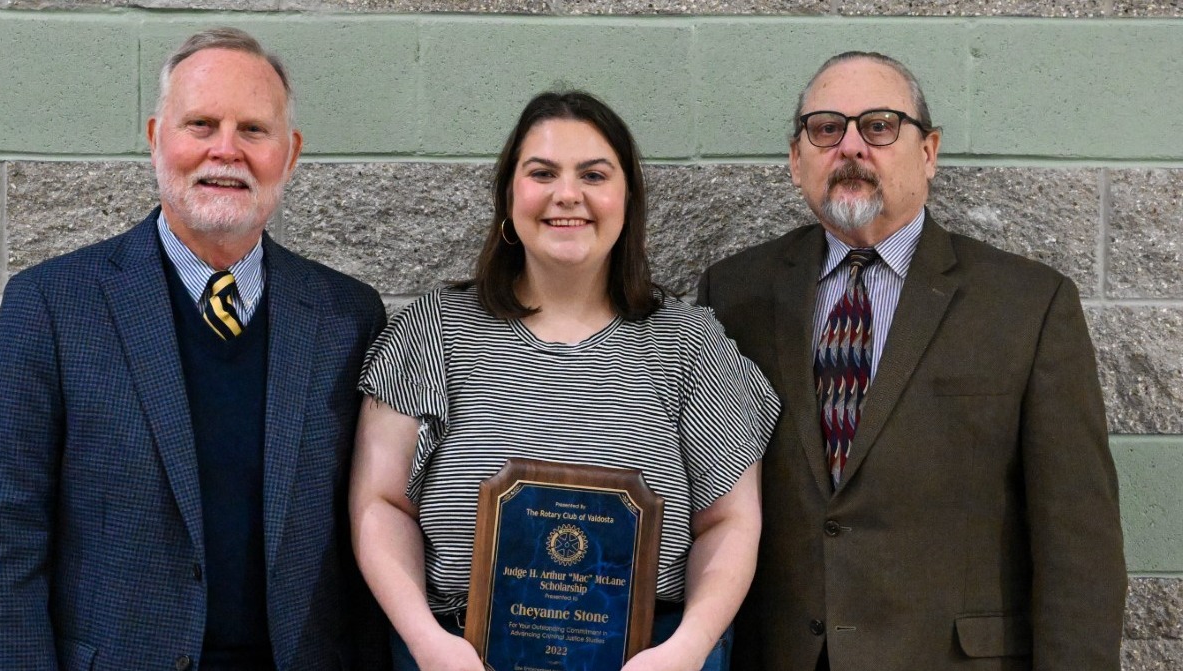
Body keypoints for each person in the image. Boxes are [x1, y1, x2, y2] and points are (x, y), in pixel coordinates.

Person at [0, 27, 387, 671]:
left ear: (290, 154)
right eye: (201, 124)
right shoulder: (52, 306)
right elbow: (1, 541)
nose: (226, 150)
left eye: (253, 130)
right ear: (157, 138)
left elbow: (367, 532)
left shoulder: (346, 316)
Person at [698, 51, 1127, 671]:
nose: (850, 147)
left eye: (878, 126)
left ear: (928, 152)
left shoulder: (1028, 305)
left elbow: (1078, 543)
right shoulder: (734, 294)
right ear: (797, 161)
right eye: (826, 129)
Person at [349, 90, 780, 671]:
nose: (567, 194)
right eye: (542, 173)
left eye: (594, 174)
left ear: (627, 198)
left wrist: (686, 650)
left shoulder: (690, 344)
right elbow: (380, 504)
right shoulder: (433, 330)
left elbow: (730, 521)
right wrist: (428, 643)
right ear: (509, 195)